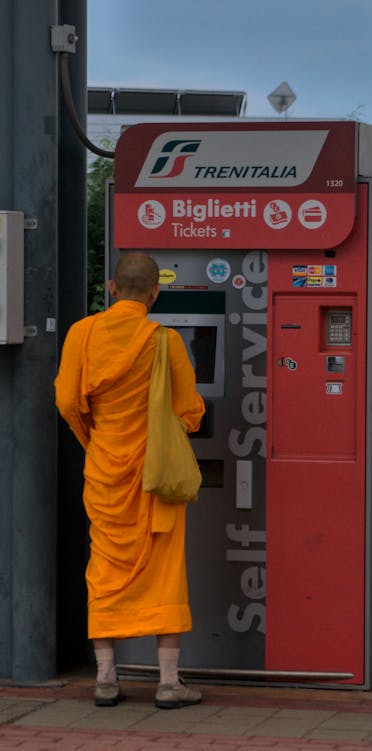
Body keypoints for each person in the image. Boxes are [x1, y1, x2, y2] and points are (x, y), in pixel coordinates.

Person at [55, 253, 205, 709]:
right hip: (154, 474)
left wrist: (94, 439)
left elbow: (66, 401)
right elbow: (190, 412)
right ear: (156, 292)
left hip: (104, 470)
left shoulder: (83, 333)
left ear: (112, 287)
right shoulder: (165, 341)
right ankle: (168, 682)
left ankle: (105, 678)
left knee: (104, 568)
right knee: (164, 569)